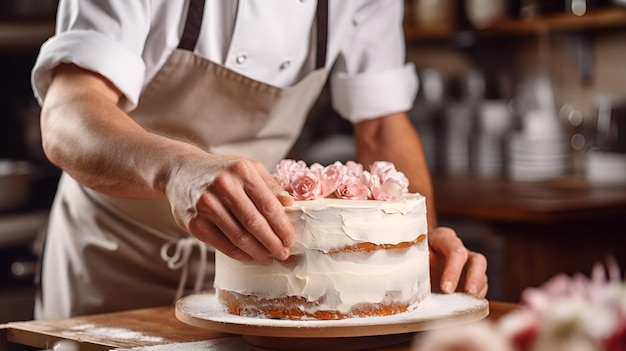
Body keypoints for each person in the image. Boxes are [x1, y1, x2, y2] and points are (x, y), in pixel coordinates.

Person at [31, 0, 488, 320]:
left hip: (262, 284)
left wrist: (414, 247)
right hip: (112, 264)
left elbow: (381, 124)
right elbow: (67, 113)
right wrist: (178, 170)